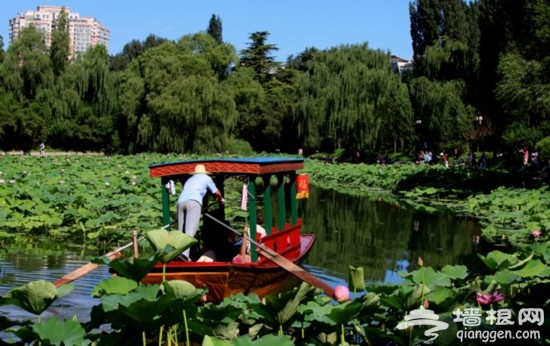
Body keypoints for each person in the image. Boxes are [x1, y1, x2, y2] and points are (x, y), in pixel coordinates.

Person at [177, 164, 224, 261]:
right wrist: (220, 199)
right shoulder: (206, 178)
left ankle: (177, 253)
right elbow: (217, 192)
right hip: (194, 202)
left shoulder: (189, 180)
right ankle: (184, 255)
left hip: (180, 202)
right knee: (190, 230)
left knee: (180, 230)